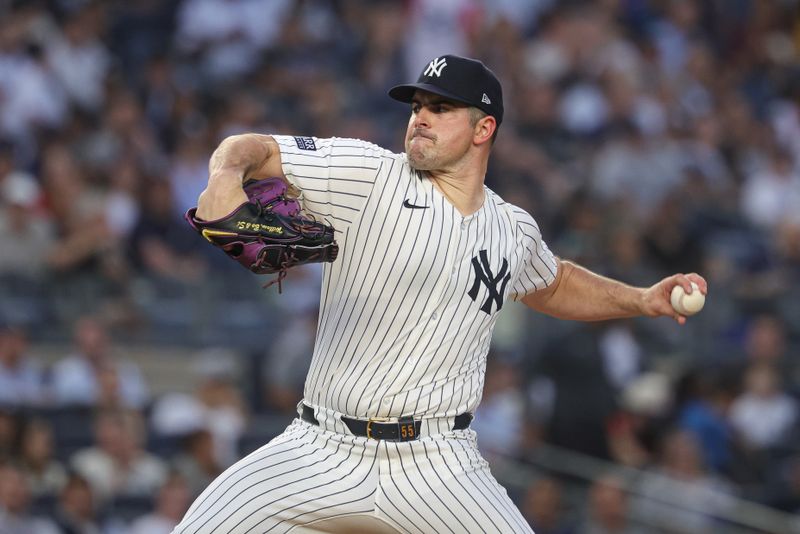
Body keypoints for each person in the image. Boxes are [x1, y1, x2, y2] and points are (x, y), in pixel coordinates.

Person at [174, 54, 707, 533]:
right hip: (320, 445)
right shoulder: (368, 174)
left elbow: (556, 283)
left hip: (438, 463)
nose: (420, 117)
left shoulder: (511, 228)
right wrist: (225, 174)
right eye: (417, 105)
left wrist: (642, 299)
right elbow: (251, 147)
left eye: (441, 107)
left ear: (484, 128)